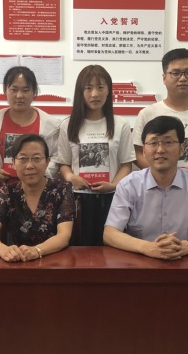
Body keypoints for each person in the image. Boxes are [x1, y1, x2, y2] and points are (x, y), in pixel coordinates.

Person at [103, 116, 188, 260]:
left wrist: (185, 246)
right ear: (144, 151)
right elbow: (110, 234)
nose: (160, 150)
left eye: (168, 142)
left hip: (184, 260)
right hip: (140, 261)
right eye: (153, 143)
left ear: (181, 149)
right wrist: (148, 248)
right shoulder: (128, 184)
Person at [54, 65, 134, 245]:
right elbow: (63, 163)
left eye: (100, 87)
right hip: (78, 199)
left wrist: (113, 185)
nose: (95, 94)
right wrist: (72, 178)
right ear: (80, 92)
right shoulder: (68, 125)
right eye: (88, 88)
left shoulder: (120, 124)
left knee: (111, 248)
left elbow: (126, 164)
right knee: (79, 249)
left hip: (112, 198)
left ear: (108, 90)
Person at [0, 134, 75, 262]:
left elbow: (64, 236)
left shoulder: (62, 189)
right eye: (23, 159)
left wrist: (37, 250)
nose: (29, 165)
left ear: (47, 162)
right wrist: (3, 249)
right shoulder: (8, 192)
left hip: (55, 261)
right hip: (19, 262)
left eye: (36, 158)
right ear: (14, 163)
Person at [0, 66, 60, 204]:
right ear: (5, 91)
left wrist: (40, 174)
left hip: (38, 194)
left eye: (25, 90)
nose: (19, 96)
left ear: (34, 92)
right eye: (14, 89)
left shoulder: (51, 125)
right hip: (0, 193)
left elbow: (56, 157)